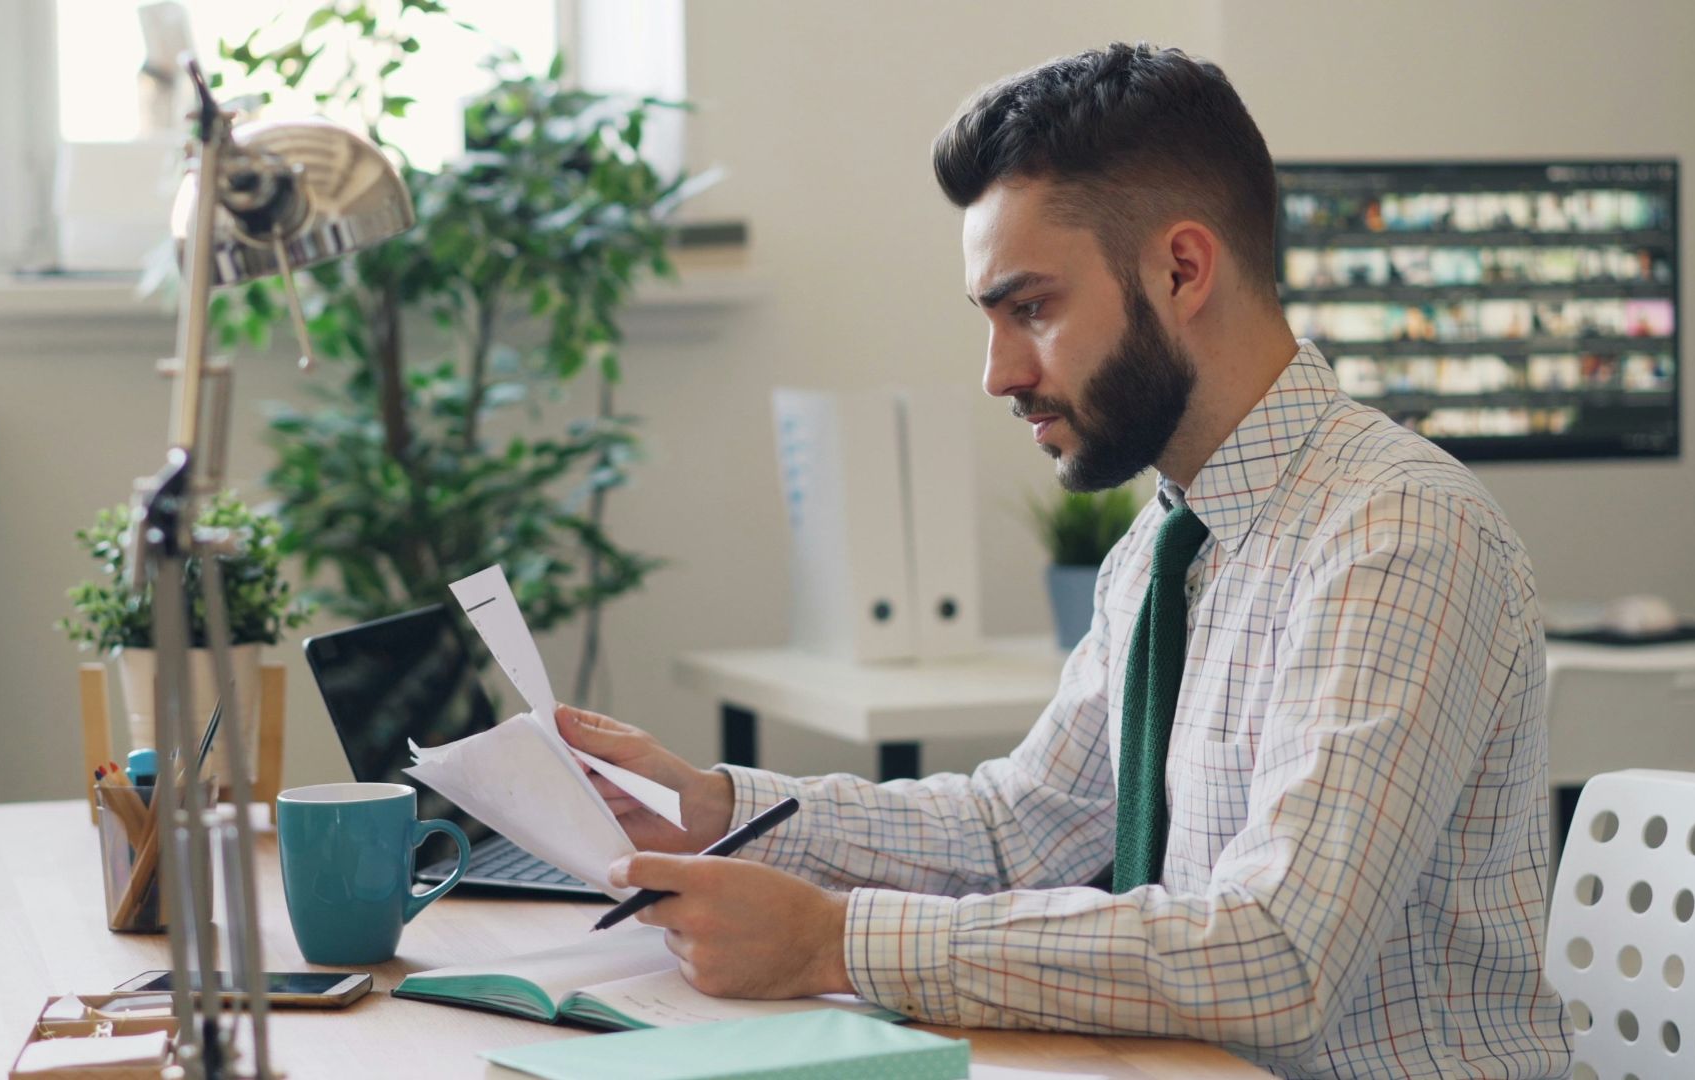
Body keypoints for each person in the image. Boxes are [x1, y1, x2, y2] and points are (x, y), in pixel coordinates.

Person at [558, 42, 1571, 1078]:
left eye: (1031, 308)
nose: (999, 373)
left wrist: (833, 940)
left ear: (1182, 270)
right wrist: (715, 808)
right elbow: (1016, 829)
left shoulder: (1396, 534)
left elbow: (1277, 957)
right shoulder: (1167, 545)